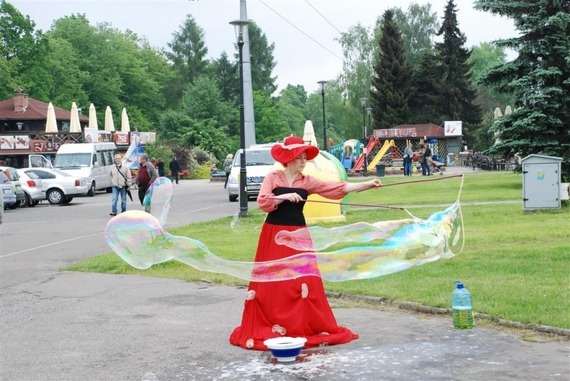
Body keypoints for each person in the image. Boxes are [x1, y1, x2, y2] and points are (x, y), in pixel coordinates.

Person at [229, 136, 382, 351]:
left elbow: (336, 188)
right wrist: (284, 197)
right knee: (273, 280)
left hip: (299, 234)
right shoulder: (273, 177)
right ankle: (273, 323)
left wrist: (367, 184)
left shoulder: (306, 181)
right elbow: (263, 201)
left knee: (300, 281)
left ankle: (300, 324)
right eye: (300, 158)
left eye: (304, 158)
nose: (303, 162)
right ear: (290, 158)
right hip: (274, 234)